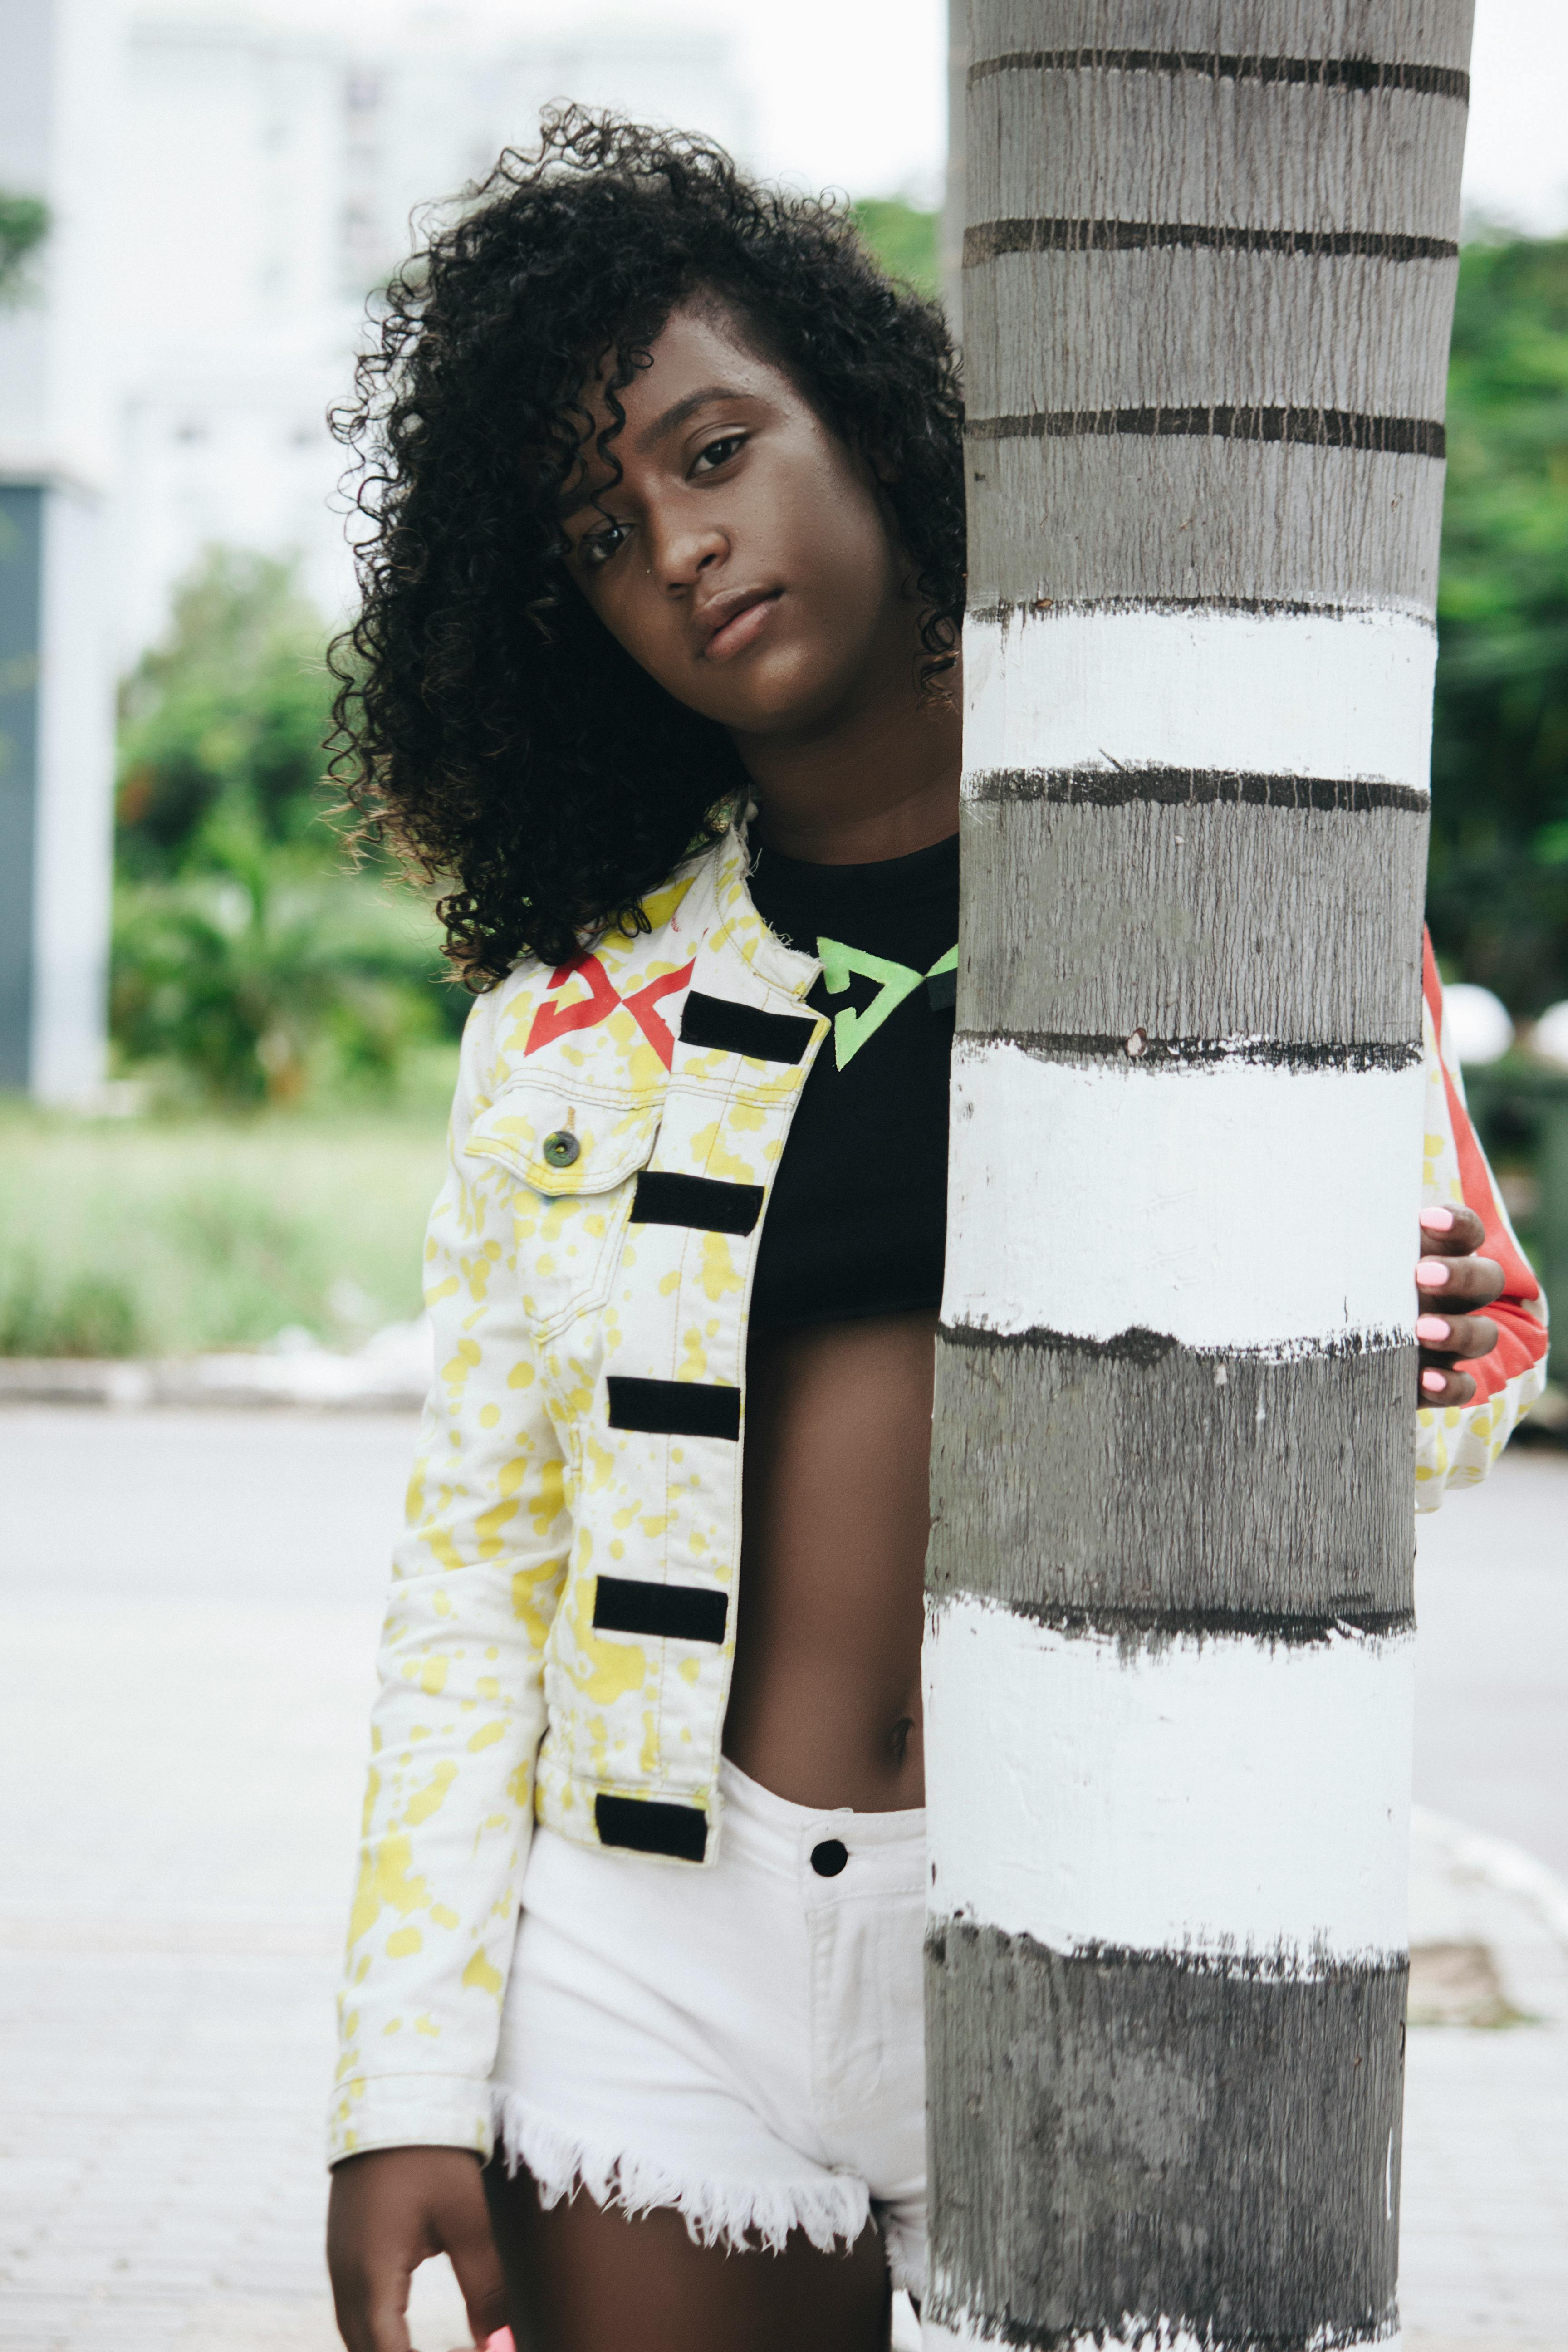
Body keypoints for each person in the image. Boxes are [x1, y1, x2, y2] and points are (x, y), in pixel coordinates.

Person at [322, 113, 1550, 2352]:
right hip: (653, 1952)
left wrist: (1425, 1356)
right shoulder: (575, 1018)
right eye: (609, 536)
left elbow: (1461, 1394)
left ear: (866, 422)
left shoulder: (1224, 840)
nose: (688, 550)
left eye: (717, 451)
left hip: (1103, 1909)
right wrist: (399, 2078)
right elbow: (476, 1564)